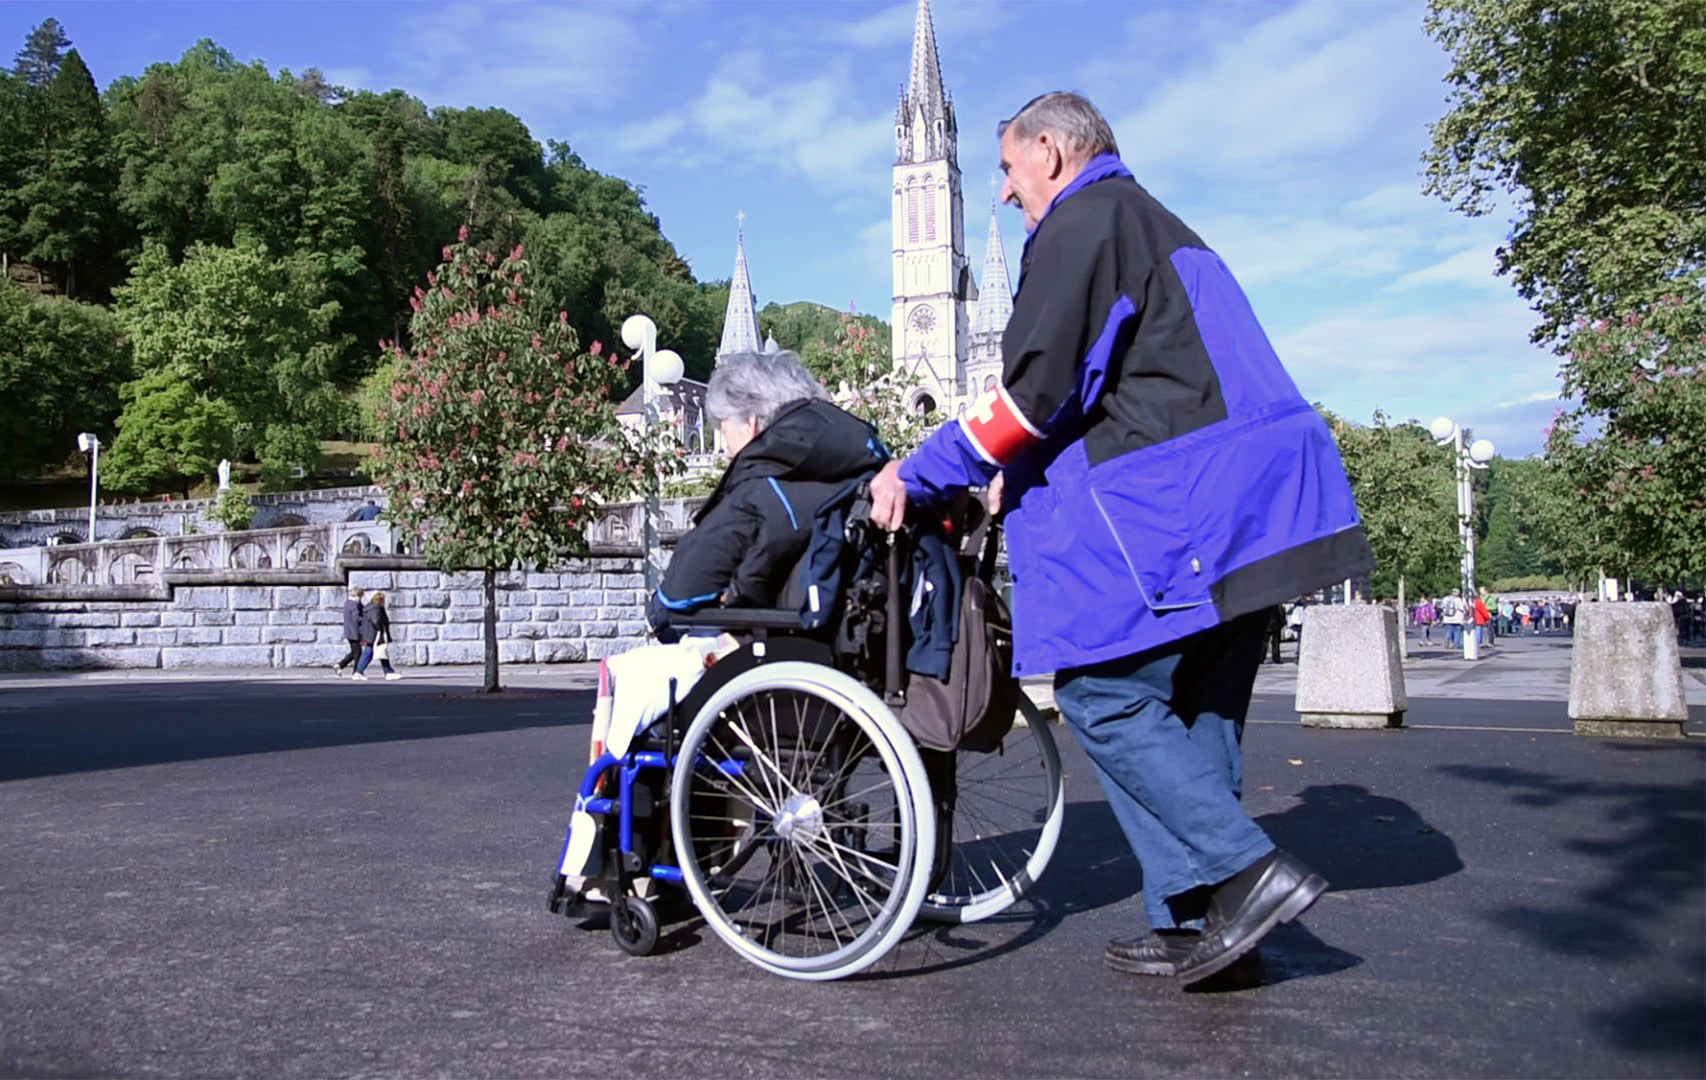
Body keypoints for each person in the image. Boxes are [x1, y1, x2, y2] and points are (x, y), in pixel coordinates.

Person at [870, 92, 1371, 989]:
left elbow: (1031, 394)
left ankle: (1246, 873)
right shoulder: (1156, 221)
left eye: (1009, 168)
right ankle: (1202, 924)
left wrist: (917, 471)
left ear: (1054, 153)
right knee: (1197, 708)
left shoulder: (1086, 223)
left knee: (1104, 696)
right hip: (1265, 503)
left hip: (1191, 505)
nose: (1003, 191)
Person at [558, 349, 888, 897]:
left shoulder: (762, 489)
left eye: (724, 429)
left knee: (632, 679)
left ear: (753, 423)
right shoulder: (855, 473)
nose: (726, 443)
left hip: (771, 673)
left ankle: (613, 872)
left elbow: (677, 593)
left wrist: (666, 614)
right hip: (839, 664)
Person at [353, 591, 401, 681]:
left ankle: (359, 672)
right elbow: (376, 621)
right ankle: (388, 672)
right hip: (376, 635)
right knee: (380, 652)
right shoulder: (376, 609)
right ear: (380, 600)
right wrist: (380, 628)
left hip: (370, 634)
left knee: (371, 653)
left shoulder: (369, 608)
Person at [333, 586, 364, 676]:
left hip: (349, 632)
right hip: (355, 632)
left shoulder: (347, 603)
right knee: (358, 653)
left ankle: (340, 665)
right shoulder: (354, 605)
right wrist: (365, 620)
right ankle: (357, 672)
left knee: (354, 652)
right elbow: (357, 618)